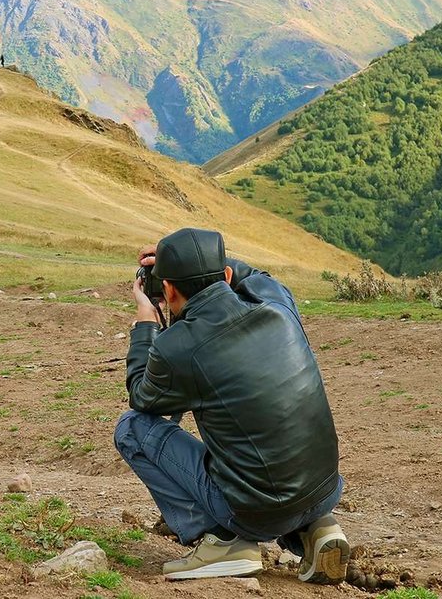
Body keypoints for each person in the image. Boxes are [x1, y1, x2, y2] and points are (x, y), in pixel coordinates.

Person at [115, 228, 348, 583]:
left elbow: (142, 398)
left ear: (169, 289)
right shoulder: (276, 302)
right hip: (324, 489)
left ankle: (224, 541)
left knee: (131, 429)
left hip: (258, 512)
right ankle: (315, 526)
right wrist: (201, 259)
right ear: (225, 275)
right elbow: (256, 276)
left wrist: (146, 324)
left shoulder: (178, 348)